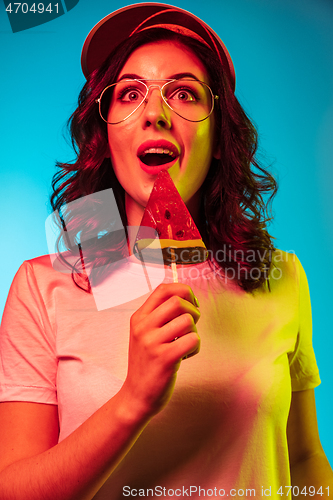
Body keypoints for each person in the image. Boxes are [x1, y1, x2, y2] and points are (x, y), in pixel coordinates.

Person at [0, 3, 332, 499]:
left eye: (183, 93)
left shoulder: (279, 275)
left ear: (219, 137)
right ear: (105, 133)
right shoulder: (44, 284)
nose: (155, 113)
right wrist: (133, 400)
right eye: (130, 94)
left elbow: (304, 457)